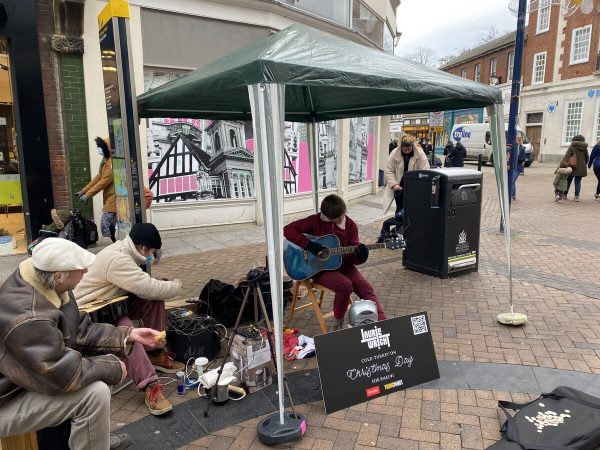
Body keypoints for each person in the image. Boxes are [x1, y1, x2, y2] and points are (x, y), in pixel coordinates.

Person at [0, 238, 163, 450]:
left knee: (91, 384)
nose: (86, 271)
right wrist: (113, 367)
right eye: (81, 268)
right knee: (94, 394)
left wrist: (129, 335)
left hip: (23, 381)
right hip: (7, 400)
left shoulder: (49, 284)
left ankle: (95, 441)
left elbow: (80, 330)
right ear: (58, 275)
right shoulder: (29, 316)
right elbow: (59, 372)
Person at [74, 223, 183, 416]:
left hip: (110, 301)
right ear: (143, 248)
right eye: (153, 252)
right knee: (125, 329)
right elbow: (147, 287)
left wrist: (159, 283)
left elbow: (142, 286)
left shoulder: (126, 251)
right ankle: (149, 385)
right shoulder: (118, 259)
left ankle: (155, 352)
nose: (153, 256)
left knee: (153, 300)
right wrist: (175, 285)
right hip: (89, 312)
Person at [284, 194, 386, 330]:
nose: (342, 218)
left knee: (365, 287)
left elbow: (353, 255)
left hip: (344, 265)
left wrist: (361, 256)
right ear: (327, 217)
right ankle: (338, 321)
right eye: (338, 218)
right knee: (345, 285)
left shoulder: (350, 225)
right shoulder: (315, 221)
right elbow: (288, 230)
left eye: (343, 214)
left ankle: (383, 322)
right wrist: (310, 246)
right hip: (318, 268)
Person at [75, 137, 117, 242]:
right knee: (112, 225)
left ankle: (108, 244)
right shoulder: (106, 161)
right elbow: (98, 178)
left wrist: (88, 195)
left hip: (114, 197)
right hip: (110, 197)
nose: (99, 149)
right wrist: (83, 191)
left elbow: (103, 182)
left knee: (105, 223)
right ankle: (113, 242)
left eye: (100, 147)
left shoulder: (111, 163)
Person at [383, 134, 430, 216]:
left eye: (409, 149)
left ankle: (411, 226)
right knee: (400, 210)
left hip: (415, 188)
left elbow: (425, 171)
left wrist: (418, 186)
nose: (407, 152)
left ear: (413, 146)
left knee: (413, 210)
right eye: (405, 150)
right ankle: (400, 226)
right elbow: (389, 170)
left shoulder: (420, 154)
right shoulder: (394, 153)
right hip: (399, 186)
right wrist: (394, 185)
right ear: (401, 147)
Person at [562, 135, 589, 202]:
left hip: (571, 166)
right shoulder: (585, 147)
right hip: (581, 167)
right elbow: (587, 157)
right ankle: (576, 197)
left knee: (568, 181)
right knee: (578, 182)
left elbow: (567, 156)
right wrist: (583, 164)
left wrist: (563, 164)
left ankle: (564, 195)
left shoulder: (572, 146)